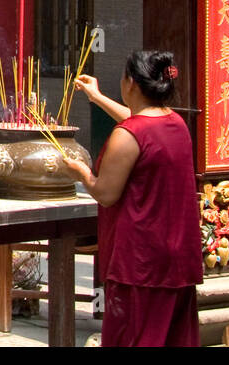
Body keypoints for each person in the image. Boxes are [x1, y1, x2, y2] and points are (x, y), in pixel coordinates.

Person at [62, 50, 203, 347]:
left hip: (140, 262)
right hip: (177, 257)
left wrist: (81, 173)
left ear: (132, 85)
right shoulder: (176, 123)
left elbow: (105, 194)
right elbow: (139, 121)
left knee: (135, 339)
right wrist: (96, 96)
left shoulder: (126, 135)